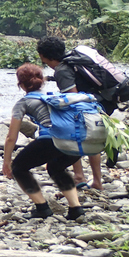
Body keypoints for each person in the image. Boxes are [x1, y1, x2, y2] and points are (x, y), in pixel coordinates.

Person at [1, 63, 85, 220]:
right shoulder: (55, 96)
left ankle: (42, 208)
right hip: (78, 141)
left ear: (20, 84)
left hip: (51, 139)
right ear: (42, 81)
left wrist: (7, 161)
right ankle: (76, 209)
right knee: (56, 167)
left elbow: (11, 137)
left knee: (19, 167)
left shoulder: (23, 102)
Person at [36, 35, 117, 190]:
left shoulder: (62, 70)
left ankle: (79, 176)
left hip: (90, 106)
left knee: (74, 132)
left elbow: (73, 99)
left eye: (42, 59)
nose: (43, 62)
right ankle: (97, 181)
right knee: (93, 135)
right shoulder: (72, 60)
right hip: (105, 100)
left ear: (45, 56)